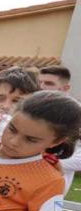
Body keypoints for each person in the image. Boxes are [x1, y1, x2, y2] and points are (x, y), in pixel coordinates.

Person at [37, 65, 81, 195]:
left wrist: (46, 162)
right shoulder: (31, 110)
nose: (42, 87)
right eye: (40, 82)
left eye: (49, 83)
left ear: (65, 88)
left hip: (55, 191)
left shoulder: (77, 115)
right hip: (23, 184)